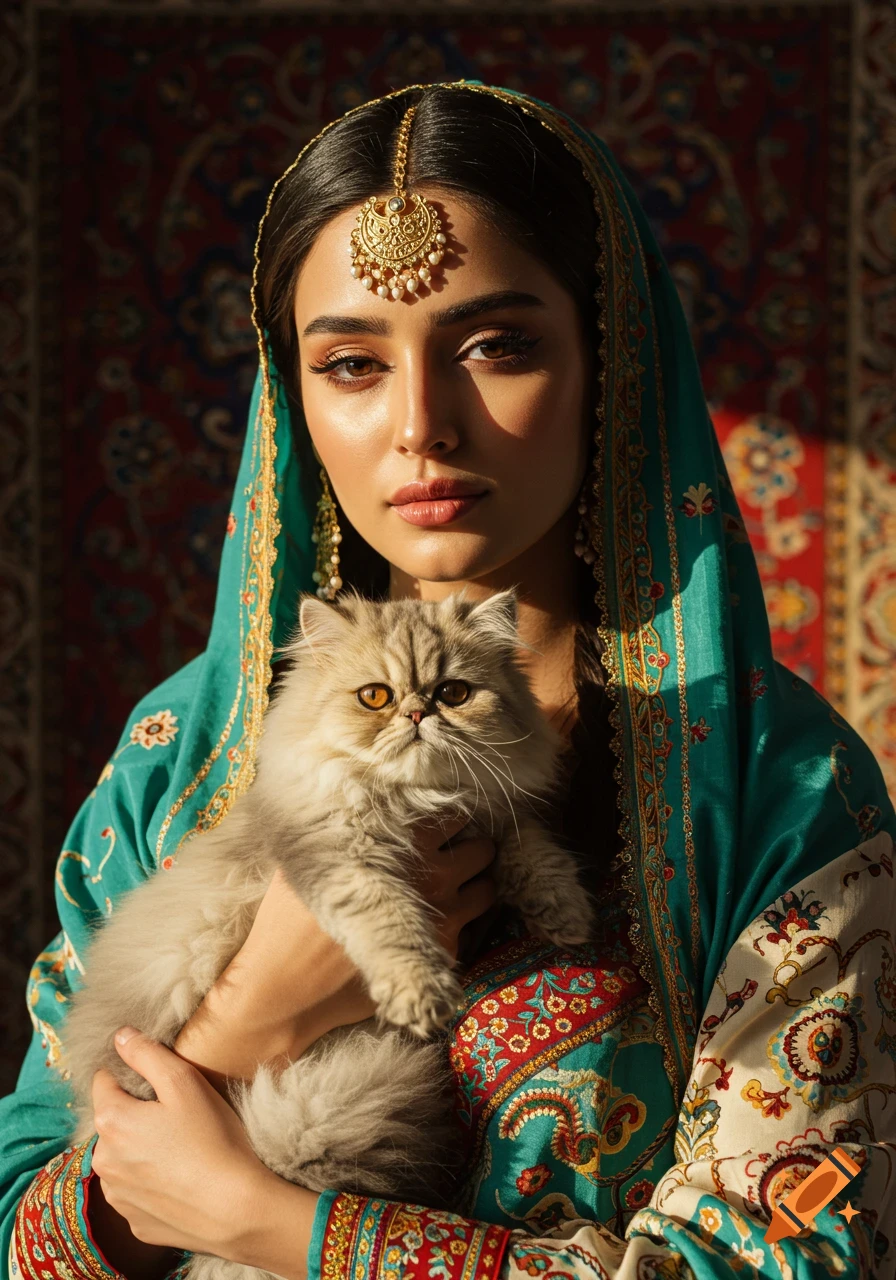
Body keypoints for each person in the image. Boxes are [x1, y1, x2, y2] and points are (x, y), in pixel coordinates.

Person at [2, 78, 894, 1280]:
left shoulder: (774, 788)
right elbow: (20, 1232)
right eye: (351, 363)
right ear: (292, 397)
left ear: (608, 360)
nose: (421, 422)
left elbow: (789, 1253)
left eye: (494, 346)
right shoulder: (181, 754)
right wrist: (244, 1022)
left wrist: (276, 1224)